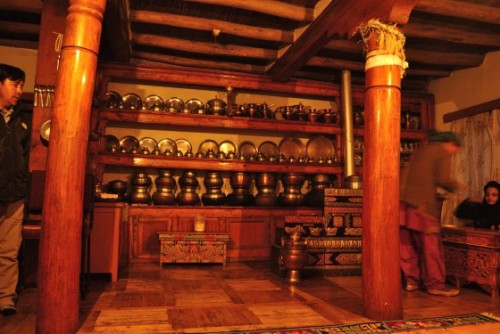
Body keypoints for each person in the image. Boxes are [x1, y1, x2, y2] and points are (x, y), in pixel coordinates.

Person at [399, 131, 462, 297]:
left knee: (408, 245)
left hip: (402, 205)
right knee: (430, 248)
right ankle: (435, 285)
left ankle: (412, 281)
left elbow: (416, 178)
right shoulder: (441, 152)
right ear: (450, 143)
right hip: (422, 207)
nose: (454, 152)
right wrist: (458, 186)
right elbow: (443, 179)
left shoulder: (420, 151)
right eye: (455, 149)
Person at [0, 64, 30, 316]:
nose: (19, 90)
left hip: (15, 195)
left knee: (9, 251)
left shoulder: (20, 120)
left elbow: (24, 157)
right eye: (14, 84)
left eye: (21, 85)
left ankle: (6, 298)